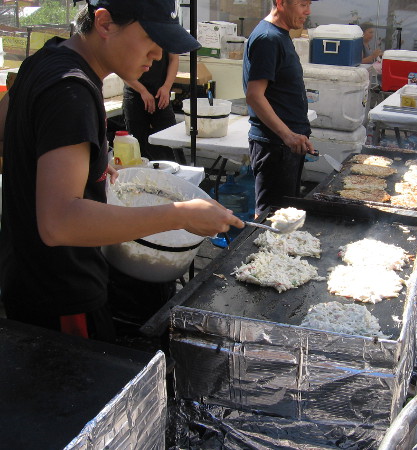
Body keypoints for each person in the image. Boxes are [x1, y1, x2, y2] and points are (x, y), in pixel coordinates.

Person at [0, 0, 243, 341]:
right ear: (105, 23)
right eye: (151, 40)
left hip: (25, 277)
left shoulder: (46, 59)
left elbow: (8, 132)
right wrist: (181, 215)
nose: (158, 56)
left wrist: (89, 163)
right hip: (61, 293)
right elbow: (58, 223)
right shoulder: (71, 90)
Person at [243, 0, 316, 217]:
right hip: (275, 147)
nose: (308, 11)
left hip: (285, 146)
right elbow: (254, 96)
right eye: (302, 4)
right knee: (271, 217)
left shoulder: (280, 35)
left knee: (286, 216)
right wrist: (289, 136)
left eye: (309, 4)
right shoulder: (269, 38)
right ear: (281, 3)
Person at [122, 48, 179, 161]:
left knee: (170, 144)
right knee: (137, 146)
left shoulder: (168, 32)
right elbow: (121, 68)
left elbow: (174, 59)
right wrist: (142, 91)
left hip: (161, 94)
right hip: (134, 94)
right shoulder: (129, 31)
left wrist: (166, 87)